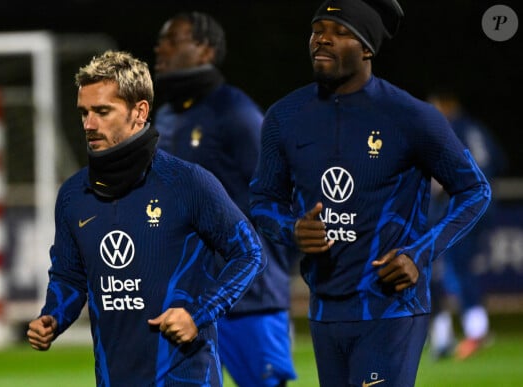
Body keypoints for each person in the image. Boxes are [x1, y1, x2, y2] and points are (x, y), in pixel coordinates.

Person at [248, 1, 492, 386]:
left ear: (367, 48)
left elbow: (475, 190)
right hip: (325, 310)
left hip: (392, 308)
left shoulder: (413, 117)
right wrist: (291, 229)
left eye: (340, 32)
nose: (322, 39)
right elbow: (262, 201)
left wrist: (420, 253)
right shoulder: (284, 117)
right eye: (317, 29)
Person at [26, 50, 263, 386]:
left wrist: (199, 314)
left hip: (186, 377)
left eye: (102, 111)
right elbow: (69, 276)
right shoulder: (72, 196)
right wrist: (52, 316)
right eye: (84, 113)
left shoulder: (187, 182)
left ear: (139, 112)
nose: (89, 124)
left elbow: (250, 253)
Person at [153, 11, 297, 387]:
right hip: (189, 298)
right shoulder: (165, 118)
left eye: (173, 39)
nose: (160, 47)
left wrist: (272, 272)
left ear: (205, 50)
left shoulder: (237, 113)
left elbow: (280, 193)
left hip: (250, 297)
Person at [427, 89, 507, 360]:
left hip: (463, 205)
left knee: (452, 268)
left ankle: (475, 331)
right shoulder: (477, 128)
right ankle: (465, 330)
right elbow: (499, 161)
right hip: (486, 204)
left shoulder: (451, 127)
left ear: (445, 103)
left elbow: (445, 169)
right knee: (458, 266)